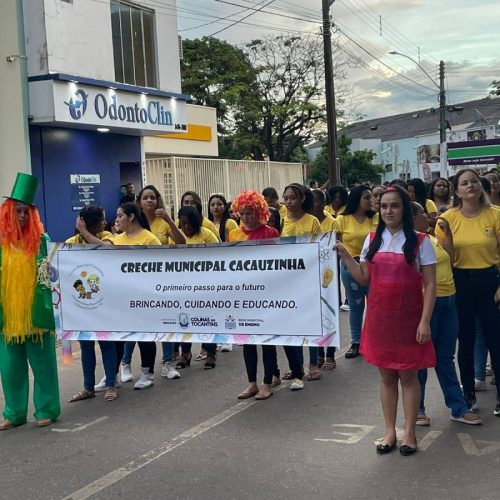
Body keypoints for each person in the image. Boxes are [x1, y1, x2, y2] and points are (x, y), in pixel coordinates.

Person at [336, 186, 437, 455]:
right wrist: (346, 255)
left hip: (409, 321)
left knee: (408, 376)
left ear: (404, 209)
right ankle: (390, 431)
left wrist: (424, 321)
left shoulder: (420, 241)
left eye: (394, 206)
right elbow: (364, 278)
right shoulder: (373, 239)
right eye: (384, 206)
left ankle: (410, 433)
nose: (388, 211)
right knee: (386, 378)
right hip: (380, 320)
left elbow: (430, 285)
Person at [436, 169, 500, 416]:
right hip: (459, 281)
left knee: (496, 339)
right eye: (464, 183)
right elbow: (443, 257)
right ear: (457, 190)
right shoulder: (448, 218)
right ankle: (468, 395)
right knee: (465, 340)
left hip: (489, 280)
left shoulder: (495, 215)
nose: (470, 185)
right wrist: (448, 238)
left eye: (474, 181)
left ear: (481, 186)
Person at [411, 202, 481, 425]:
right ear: (412, 218)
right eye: (422, 213)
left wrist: (448, 236)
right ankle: (418, 410)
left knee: (445, 358)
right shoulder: (410, 243)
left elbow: (451, 262)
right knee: (421, 360)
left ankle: (458, 408)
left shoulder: (431, 239)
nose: (426, 216)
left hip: (449, 301)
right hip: (428, 304)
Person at [0, 173, 60, 430]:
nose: (23, 217)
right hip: (9, 318)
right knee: (10, 368)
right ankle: (13, 413)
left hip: (38, 316)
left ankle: (46, 409)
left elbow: (55, 276)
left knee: (43, 365)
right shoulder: (1, 244)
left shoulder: (42, 243)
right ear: (8, 213)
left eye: (27, 212)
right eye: (18, 211)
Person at [229, 190, 280, 400]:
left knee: (266, 339)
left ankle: (267, 382)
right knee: (247, 339)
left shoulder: (271, 233)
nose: (246, 216)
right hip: (242, 294)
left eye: (250, 212)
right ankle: (252, 382)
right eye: (242, 213)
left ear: (259, 211)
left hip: (266, 292)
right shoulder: (234, 235)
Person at [66, 206, 118, 403]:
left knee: (106, 343)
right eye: (101, 219)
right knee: (86, 346)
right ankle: (88, 388)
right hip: (81, 304)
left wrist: (85, 232)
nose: (105, 223)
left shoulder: (107, 236)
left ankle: (111, 384)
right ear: (89, 221)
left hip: (103, 302)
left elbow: (106, 250)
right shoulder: (71, 243)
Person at [113, 203, 161, 389]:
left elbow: (160, 267)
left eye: (120, 216)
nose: (116, 220)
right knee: (118, 337)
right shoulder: (117, 239)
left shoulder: (149, 240)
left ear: (131, 217)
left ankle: (147, 373)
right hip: (122, 297)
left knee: (144, 336)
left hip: (144, 296)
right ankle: (112, 374)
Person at [282, 183, 321, 386]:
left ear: (302, 199)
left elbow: (319, 249)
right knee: (293, 326)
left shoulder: (312, 221)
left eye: (293, 198)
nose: (288, 202)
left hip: (309, 279)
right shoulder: (281, 221)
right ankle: (296, 366)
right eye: (286, 198)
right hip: (288, 281)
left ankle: (313, 364)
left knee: (310, 323)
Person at [176, 206, 219, 370]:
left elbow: (218, 256)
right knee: (184, 319)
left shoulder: (206, 234)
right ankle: (185, 353)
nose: (186, 228)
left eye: (189, 224)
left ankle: (211, 353)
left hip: (206, 286)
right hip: (184, 286)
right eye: (183, 224)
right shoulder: (177, 237)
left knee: (207, 320)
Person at [336, 185, 375, 359]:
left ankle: (374, 341)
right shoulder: (342, 219)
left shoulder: (376, 218)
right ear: (357, 199)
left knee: (375, 304)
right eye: (367, 197)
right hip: (350, 265)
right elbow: (336, 243)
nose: (371, 200)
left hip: (373, 265)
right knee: (355, 305)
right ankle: (356, 342)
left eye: (371, 197)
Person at [310, 189, 340, 370]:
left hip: (329, 274)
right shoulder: (305, 220)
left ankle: (330, 354)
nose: (312, 205)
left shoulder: (333, 223)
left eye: (315, 202)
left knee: (329, 312)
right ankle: (318, 353)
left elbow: (336, 247)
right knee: (315, 315)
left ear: (322, 203)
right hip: (309, 275)